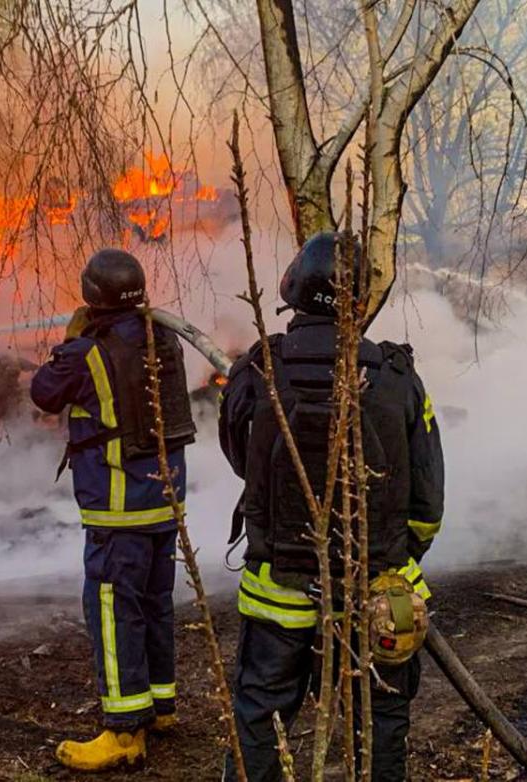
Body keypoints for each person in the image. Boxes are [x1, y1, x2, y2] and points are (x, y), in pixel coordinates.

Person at [217, 232, 445, 781]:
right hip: (376, 597)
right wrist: (393, 553)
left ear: (292, 289)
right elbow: (428, 499)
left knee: (262, 722)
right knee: (379, 723)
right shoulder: (397, 378)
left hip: (278, 596)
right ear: (360, 302)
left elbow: (238, 454)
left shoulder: (258, 371)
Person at [30, 249, 196, 771]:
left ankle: (124, 731)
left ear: (92, 296)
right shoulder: (163, 337)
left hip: (117, 511)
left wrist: (72, 341)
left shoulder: (86, 353)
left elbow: (44, 393)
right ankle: (160, 708)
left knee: (113, 612)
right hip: (165, 504)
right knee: (154, 604)